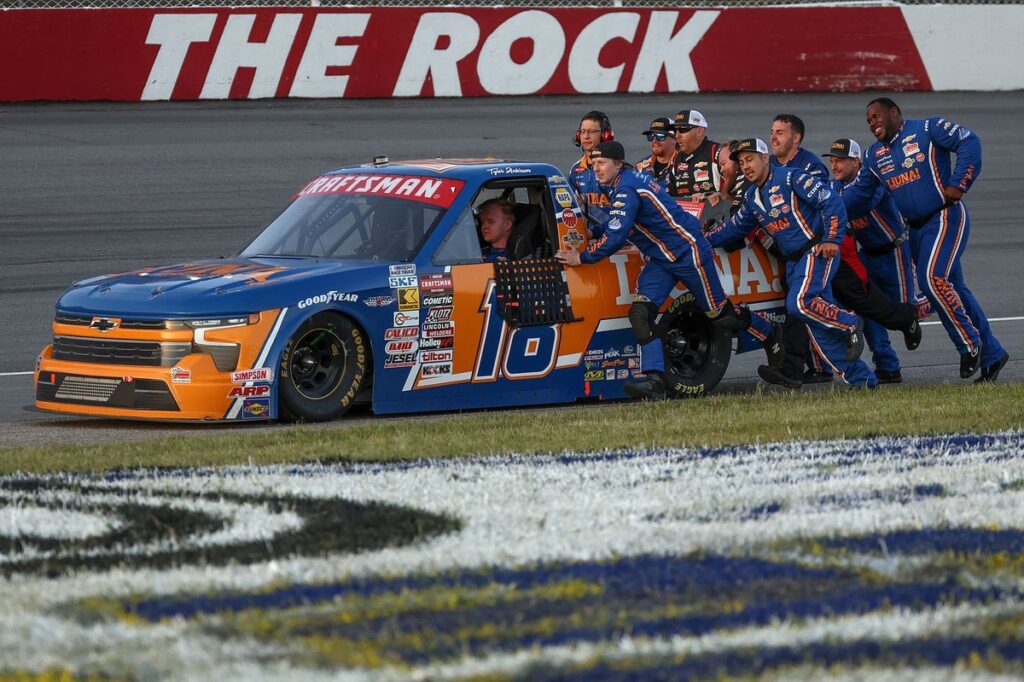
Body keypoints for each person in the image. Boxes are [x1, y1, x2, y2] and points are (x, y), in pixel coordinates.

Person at [555, 140, 783, 400]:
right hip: (661, 260)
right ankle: (655, 382)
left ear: (618, 164)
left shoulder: (627, 187)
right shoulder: (619, 183)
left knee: (720, 314)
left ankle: (769, 332)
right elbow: (615, 221)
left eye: (602, 163)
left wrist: (582, 257)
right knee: (640, 313)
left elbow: (617, 235)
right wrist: (589, 230)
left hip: (688, 253)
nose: (596, 169)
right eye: (594, 164)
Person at [843, 97, 1008, 381]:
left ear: (894, 112)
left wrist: (959, 183)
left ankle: (970, 345)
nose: (872, 123)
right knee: (953, 288)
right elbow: (856, 197)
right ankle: (993, 354)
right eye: (868, 120)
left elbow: (970, 141)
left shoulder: (928, 128)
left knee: (932, 281)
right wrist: (825, 211)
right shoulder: (873, 156)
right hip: (914, 232)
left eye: (877, 116)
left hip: (944, 217)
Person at [705, 138, 878, 388]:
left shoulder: (792, 177)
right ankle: (864, 381)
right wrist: (699, 240)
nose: (745, 166)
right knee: (820, 332)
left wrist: (831, 238)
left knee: (799, 304)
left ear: (765, 158)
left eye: (750, 159)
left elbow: (831, 201)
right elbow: (733, 229)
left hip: (816, 251)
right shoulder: (752, 196)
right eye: (741, 162)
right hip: (794, 264)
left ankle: (850, 322)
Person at [824, 137, 920, 383]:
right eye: (832, 161)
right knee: (868, 310)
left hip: (894, 251)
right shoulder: (834, 188)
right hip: (866, 255)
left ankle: (933, 300)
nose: (834, 166)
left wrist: (833, 208)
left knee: (905, 308)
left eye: (840, 161)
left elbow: (861, 202)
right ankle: (888, 366)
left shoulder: (872, 181)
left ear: (856, 161)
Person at [666, 110, 722, 204]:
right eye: (675, 130)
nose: (677, 136)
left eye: (683, 130)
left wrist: (720, 195)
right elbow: (670, 197)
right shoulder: (676, 158)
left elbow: (737, 190)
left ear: (699, 131)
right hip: (686, 216)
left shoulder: (718, 153)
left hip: (717, 215)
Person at [569, 111, 614, 208]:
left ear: (605, 135)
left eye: (592, 131)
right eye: (583, 131)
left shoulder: (615, 169)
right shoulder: (575, 170)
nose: (586, 136)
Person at [769, 113, 829, 180]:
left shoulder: (812, 167)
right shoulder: (767, 163)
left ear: (796, 138)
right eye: (772, 133)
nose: (773, 137)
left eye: (780, 133)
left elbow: (822, 190)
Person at [634, 116, 676, 186]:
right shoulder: (640, 168)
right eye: (651, 136)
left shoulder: (685, 165)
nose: (654, 140)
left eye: (660, 135)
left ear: (675, 139)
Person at [478, 198, 514, 263]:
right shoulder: (478, 253)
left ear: (507, 225)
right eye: (482, 222)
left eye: (491, 221)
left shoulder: (512, 259)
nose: (484, 226)